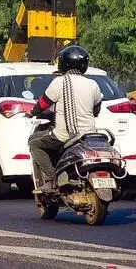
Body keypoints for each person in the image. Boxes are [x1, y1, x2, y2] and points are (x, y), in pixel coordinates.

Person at [27, 45, 103, 193]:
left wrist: (32, 112)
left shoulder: (59, 82)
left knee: (35, 143)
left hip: (65, 136)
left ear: (64, 63)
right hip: (88, 137)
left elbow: (43, 104)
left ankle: (50, 179)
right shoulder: (93, 84)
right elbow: (96, 110)